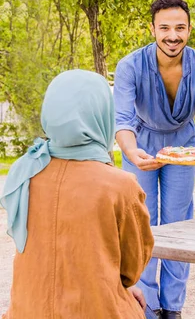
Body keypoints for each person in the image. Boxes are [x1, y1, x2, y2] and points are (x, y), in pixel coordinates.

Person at [1, 70, 154, 319]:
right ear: (103, 115)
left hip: (26, 311)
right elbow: (131, 270)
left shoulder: (26, 173)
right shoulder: (120, 185)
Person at [113, 0, 195, 319]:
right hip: (140, 142)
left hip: (184, 145)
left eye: (180, 28)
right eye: (165, 28)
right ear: (152, 29)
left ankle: (172, 307)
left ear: (189, 30)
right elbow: (122, 121)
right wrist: (131, 152)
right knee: (142, 223)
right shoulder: (130, 66)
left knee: (179, 224)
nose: (172, 35)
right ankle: (146, 305)